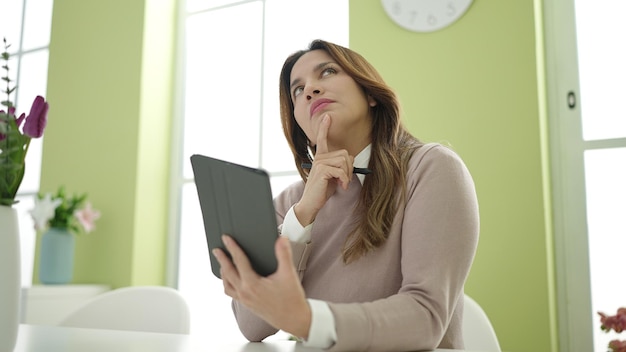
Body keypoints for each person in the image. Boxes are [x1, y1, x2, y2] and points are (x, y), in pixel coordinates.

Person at [212, 39, 479, 352]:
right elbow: (252, 325)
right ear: (299, 123)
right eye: (297, 89)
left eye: (327, 72)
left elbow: (426, 318)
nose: (309, 89)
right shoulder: (289, 204)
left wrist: (308, 321)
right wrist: (302, 218)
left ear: (370, 95)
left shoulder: (431, 168)